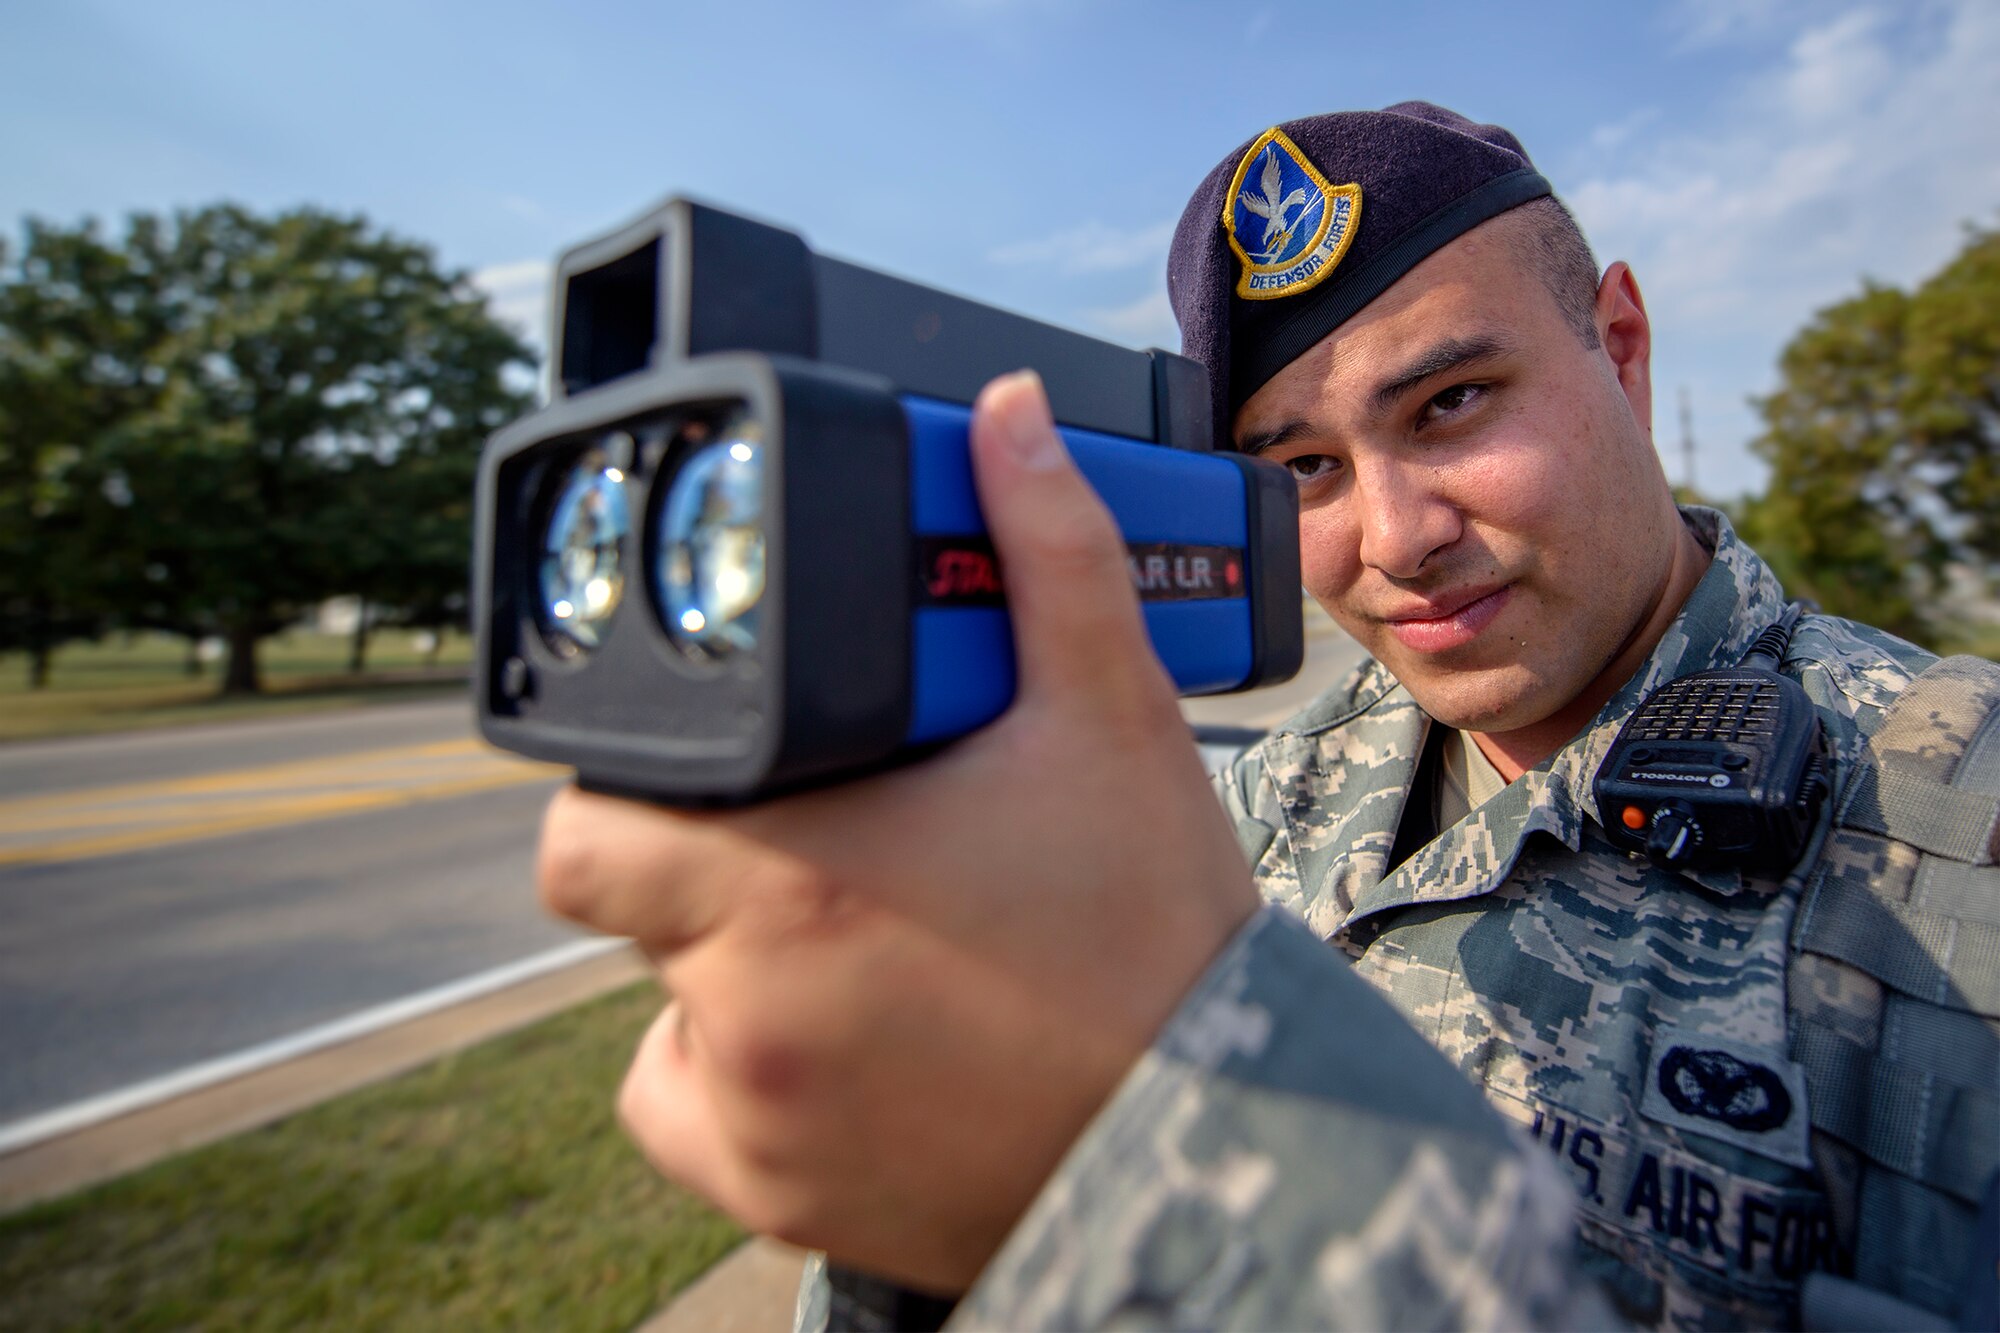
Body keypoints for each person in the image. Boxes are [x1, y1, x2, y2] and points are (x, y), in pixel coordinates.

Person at [538, 103, 1998, 1331]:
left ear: (1620, 345)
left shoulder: (1966, 830)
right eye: (1301, 466)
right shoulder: (1252, 802)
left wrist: (1133, 1163)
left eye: (1451, 406)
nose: (1397, 535)